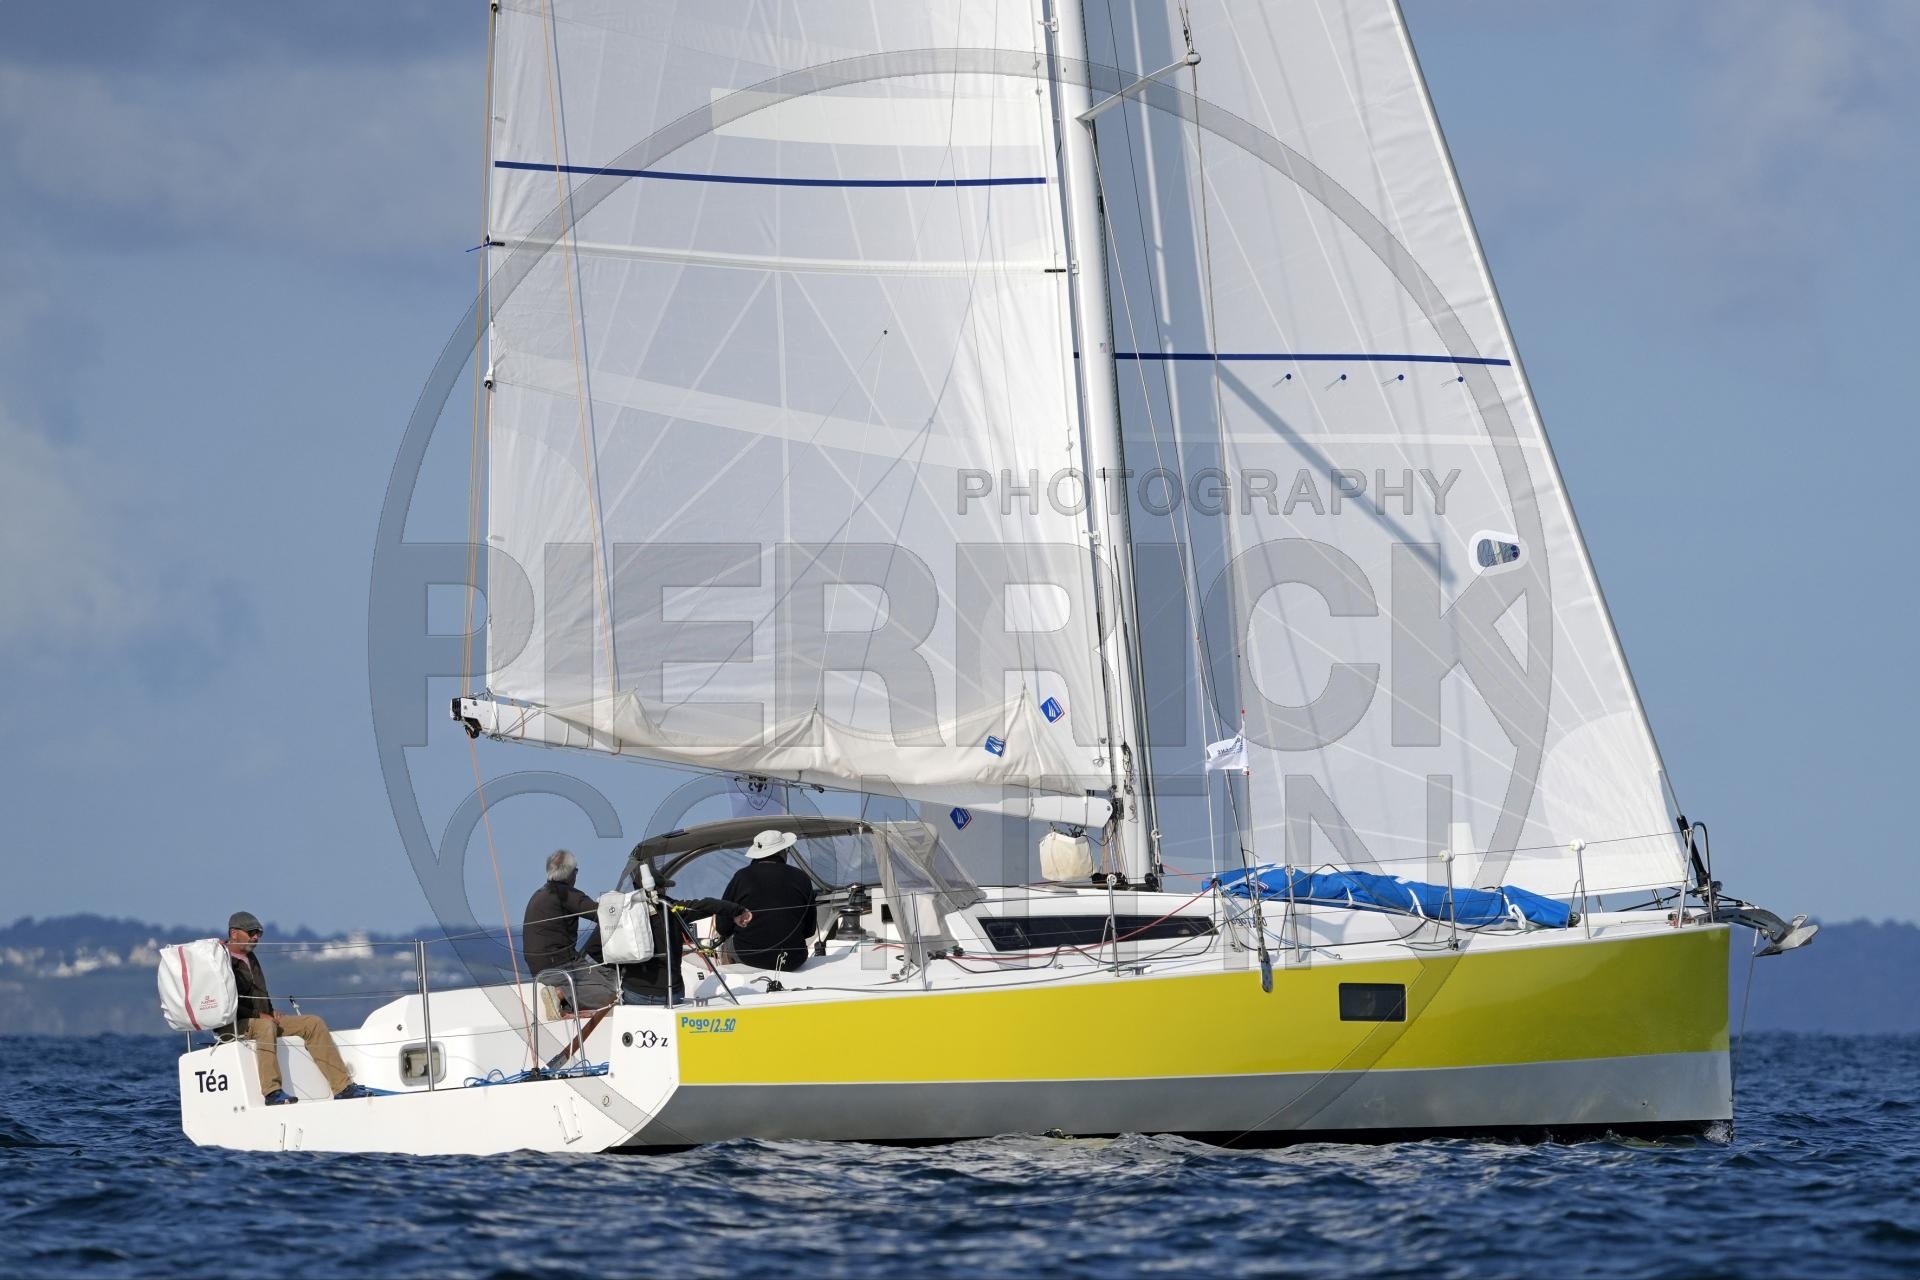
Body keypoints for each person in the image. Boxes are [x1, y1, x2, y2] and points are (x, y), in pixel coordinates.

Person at [219, 911, 374, 1105]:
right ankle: (272, 1093)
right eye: (251, 932)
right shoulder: (221, 961)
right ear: (234, 933)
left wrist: (270, 1010)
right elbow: (226, 1003)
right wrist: (260, 1015)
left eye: (259, 933)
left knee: (313, 1023)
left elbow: (260, 992)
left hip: (261, 1018)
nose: (256, 937)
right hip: (234, 1024)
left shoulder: (250, 957)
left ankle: (343, 1088)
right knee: (266, 1027)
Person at [617, 853, 751, 1004]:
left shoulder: (622, 915)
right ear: (659, 889)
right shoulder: (673, 909)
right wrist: (738, 911)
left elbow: (599, 950)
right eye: (664, 888)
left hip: (634, 992)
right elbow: (706, 905)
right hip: (668, 993)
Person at [718, 829, 819, 972]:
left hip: (749, 957)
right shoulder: (802, 878)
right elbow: (809, 930)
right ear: (782, 852)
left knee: (726, 946)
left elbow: (722, 927)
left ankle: (731, 983)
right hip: (793, 959)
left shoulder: (741, 877)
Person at [521, 849, 602, 978]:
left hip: (537, 968)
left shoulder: (539, 894)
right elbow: (602, 914)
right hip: (560, 965)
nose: (576, 875)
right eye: (575, 871)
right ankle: (564, 991)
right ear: (569, 873)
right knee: (608, 986)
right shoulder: (566, 894)